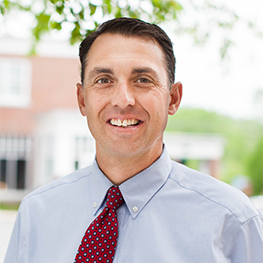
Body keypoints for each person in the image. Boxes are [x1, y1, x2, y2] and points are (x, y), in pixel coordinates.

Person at [4, 17, 263, 263]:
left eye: (142, 80)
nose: (123, 99)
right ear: (82, 99)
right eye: (104, 80)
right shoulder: (36, 213)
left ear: (173, 98)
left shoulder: (231, 219)